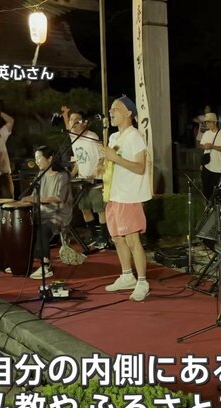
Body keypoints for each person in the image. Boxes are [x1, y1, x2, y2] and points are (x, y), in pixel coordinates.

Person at [102, 96, 152, 301]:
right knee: (117, 238)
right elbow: (112, 165)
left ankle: (142, 282)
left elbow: (140, 167)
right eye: (111, 109)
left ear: (129, 113)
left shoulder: (135, 136)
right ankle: (127, 276)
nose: (111, 112)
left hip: (130, 196)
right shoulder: (114, 137)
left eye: (116, 108)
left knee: (132, 240)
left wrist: (115, 158)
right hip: (114, 194)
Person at [19, 146, 73, 280]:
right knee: (24, 226)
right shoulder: (41, 174)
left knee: (42, 229)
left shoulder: (62, 175)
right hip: (42, 212)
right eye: (36, 158)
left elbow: (59, 197)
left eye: (39, 158)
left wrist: (35, 199)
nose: (36, 161)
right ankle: (23, 262)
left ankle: (45, 265)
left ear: (50, 158)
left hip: (59, 214)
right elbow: (34, 195)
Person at [60, 105, 109, 249]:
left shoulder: (92, 137)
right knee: (85, 209)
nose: (73, 123)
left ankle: (104, 237)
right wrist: (70, 175)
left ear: (84, 123)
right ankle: (94, 236)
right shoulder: (73, 137)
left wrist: (96, 172)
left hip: (95, 181)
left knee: (99, 209)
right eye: (72, 120)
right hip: (82, 181)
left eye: (77, 120)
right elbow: (77, 162)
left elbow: (102, 158)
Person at [198, 112, 221, 200]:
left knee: (218, 191)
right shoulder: (206, 133)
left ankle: (218, 206)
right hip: (207, 165)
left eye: (209, 122)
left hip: (218, 167)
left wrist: (212, 146)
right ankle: (208, 205)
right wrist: (205, 146)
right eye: (206, 122)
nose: (207, 124)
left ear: (215, 122)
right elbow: (201, 145)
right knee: (206, 189)